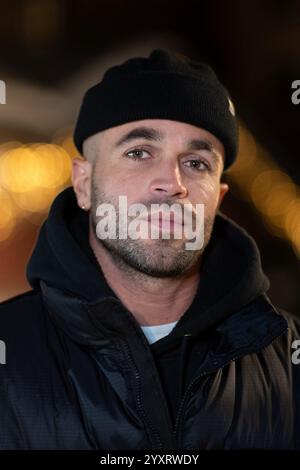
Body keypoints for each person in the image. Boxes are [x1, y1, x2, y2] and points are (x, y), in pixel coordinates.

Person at [0, 48, 299, 451]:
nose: (171, 182)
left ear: (219, 198)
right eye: (139, 153)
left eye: (196, 163)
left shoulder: (288, 359)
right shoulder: (10, 352)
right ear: (84, 184)